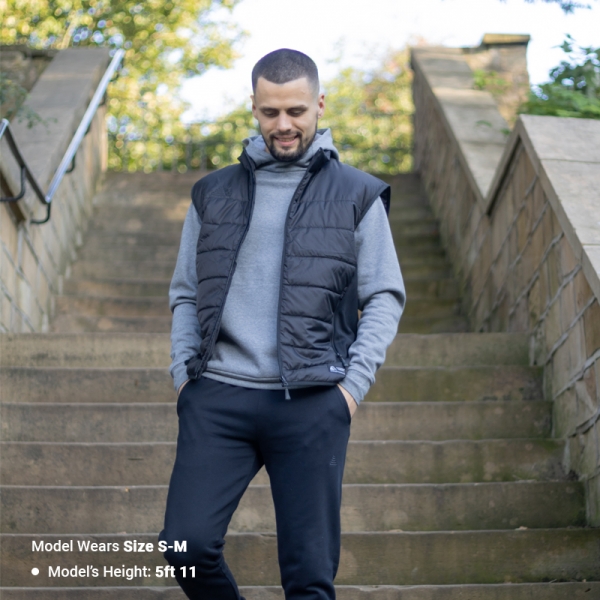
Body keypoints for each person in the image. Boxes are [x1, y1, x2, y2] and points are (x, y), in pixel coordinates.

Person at [159, 48, 405, 600]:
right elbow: (185, 291)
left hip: (312, 401)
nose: (284, 124)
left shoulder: (358, 194)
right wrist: (184, 377)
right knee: (186, 546)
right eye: (270, 112)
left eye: (296, 110)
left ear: (319, 105)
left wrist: (351, 389)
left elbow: (385, 295)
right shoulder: (212, 193)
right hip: (218, 397)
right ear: (253, 107)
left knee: (308, 579)